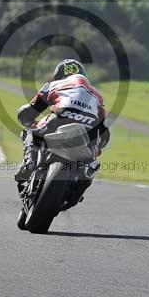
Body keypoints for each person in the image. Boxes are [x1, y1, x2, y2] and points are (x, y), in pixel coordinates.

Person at [14, 58, 111, 199]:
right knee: (94, 152)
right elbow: (103, 129)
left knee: (29, 132)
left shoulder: (53, 85)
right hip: (88, 128)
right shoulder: (97, 95)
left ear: (58, 75)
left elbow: (30, 111)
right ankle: (85, 175)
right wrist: (97, 149)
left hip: (59, 118)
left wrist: (26, 119)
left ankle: (29, 163)